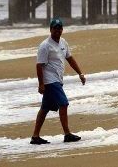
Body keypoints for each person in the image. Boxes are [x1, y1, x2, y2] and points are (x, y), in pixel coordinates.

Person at [30, 17, 86, 145]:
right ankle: (67, 134)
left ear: (62, 30)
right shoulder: (45, 46)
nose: (57, 31)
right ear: (50, 30)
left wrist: (80, 73)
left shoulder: (63, 42)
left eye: (59, 28)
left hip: (58, 79)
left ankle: (35, 136)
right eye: (55, 28)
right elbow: (39, 65)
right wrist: (41, 84)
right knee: (63, 103)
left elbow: (69, 58)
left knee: (45, 108)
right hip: (50, 81)